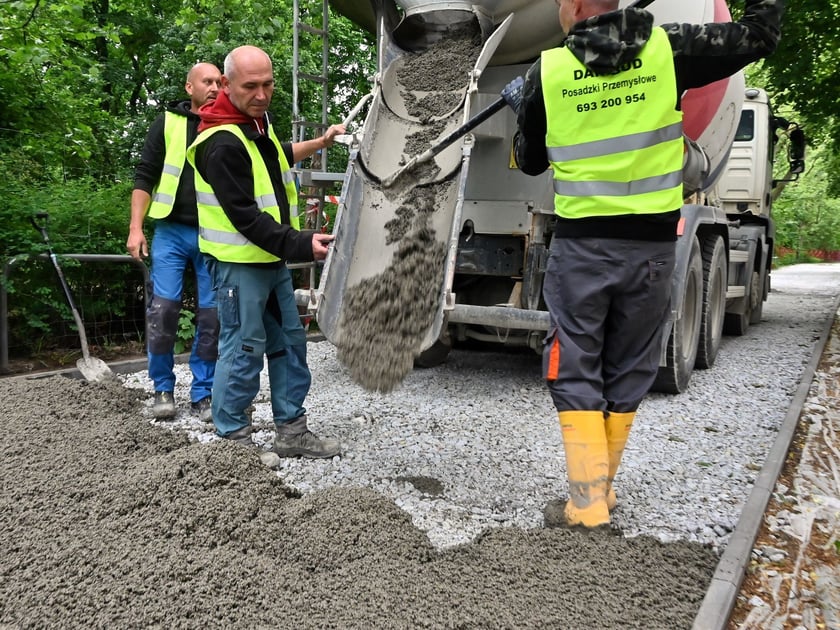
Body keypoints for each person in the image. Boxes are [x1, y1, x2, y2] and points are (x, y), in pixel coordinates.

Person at [507, 0, 785, 528]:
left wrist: (523, 109)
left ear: (574, 6)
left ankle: (586, 504)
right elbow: (758, 36)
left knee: (575, 363)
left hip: (582, 249)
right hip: (653, 251)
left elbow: (532, 160)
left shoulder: (548, 70)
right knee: (631, 364)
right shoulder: (668, 48)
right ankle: (600, 490)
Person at [186, 45, 345, 458]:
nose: (262, 95)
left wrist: (321, 141)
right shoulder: (221, 142)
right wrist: (302, 242)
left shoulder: (254, 123)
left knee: (290, 343)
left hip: (269, 260)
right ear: (226, 84)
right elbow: (246, 218)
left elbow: (277, 157)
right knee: (243, 348)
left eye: (268, 85)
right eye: (251, 86)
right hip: (240, 265)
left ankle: (291, 432)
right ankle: (234, 444)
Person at [128, 62, 223, 422]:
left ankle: (204, 393)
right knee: (163, 311)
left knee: (212, 317)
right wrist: (136, 228)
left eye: (219, 82)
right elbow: (144, 175)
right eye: (207, 81)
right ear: (189, 87)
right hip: (170, 231)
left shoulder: (228, 126)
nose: (214, 88)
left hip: (214, 235)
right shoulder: (167, 123)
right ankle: (162, 388)